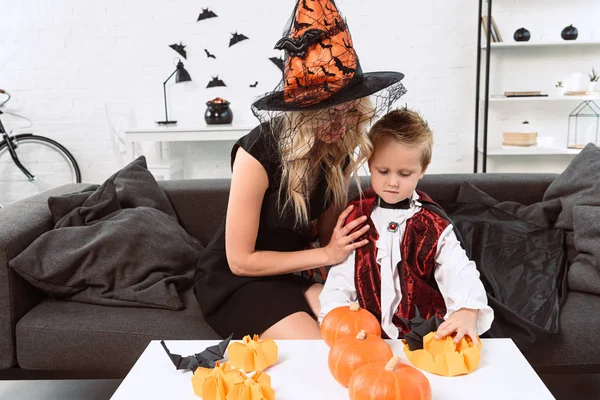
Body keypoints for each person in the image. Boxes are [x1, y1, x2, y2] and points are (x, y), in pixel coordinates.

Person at [193, 0, 407, 340]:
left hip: (293, 274)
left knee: (359, 335)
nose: (341, 123)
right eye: (328, 112)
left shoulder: (338, 151)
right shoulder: (258, 152)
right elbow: (240, 261)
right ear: (304, 111)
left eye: (350, 110)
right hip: (235, 280)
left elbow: (329, 240)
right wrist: (326, 254)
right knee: (315, 349)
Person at [318, 107, 494, 344]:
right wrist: (336, 315)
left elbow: (459, 268)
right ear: (370, 164)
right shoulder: (358, 218)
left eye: (404, 173)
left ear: (423, 169)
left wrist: (467, 309)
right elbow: (341, 279)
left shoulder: (431, 224)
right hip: (366, 336)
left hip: (424, 334)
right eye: (383, 171)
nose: (392, 182)